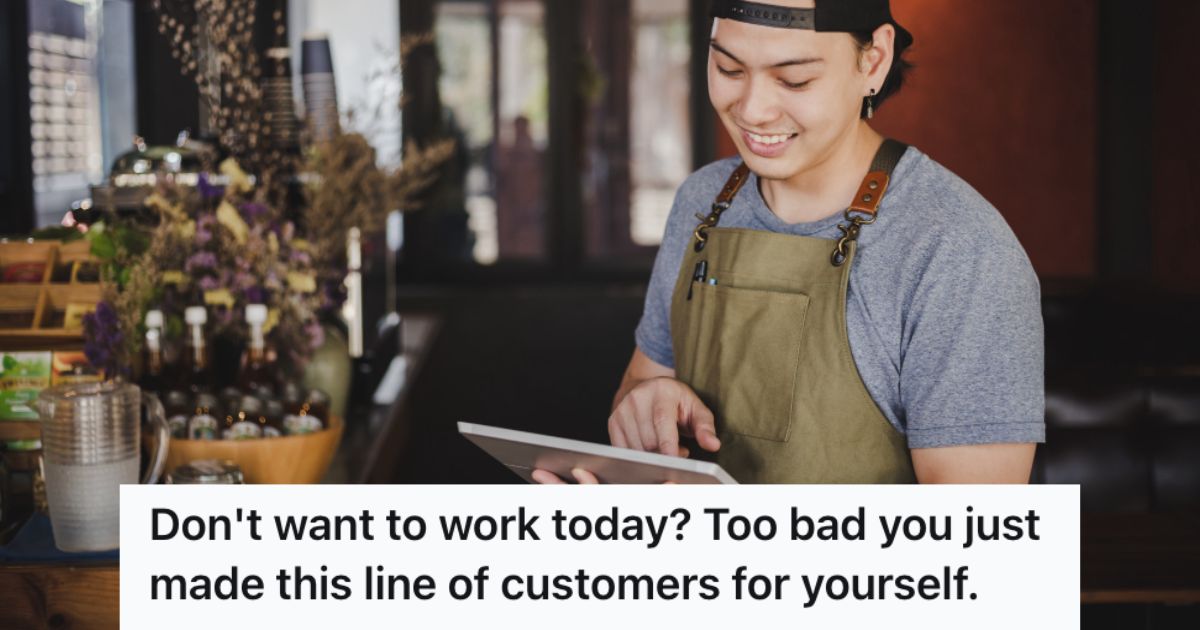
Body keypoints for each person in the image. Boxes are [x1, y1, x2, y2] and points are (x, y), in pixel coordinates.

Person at [535, 0, 1043, 485]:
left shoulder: (956, 249)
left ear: (874, 61)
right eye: (729, 70)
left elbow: (976, 545)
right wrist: (647, 406)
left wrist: (730, 529)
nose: (753, 110)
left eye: (794, 79)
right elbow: (639, 387)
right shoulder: (704, 199)